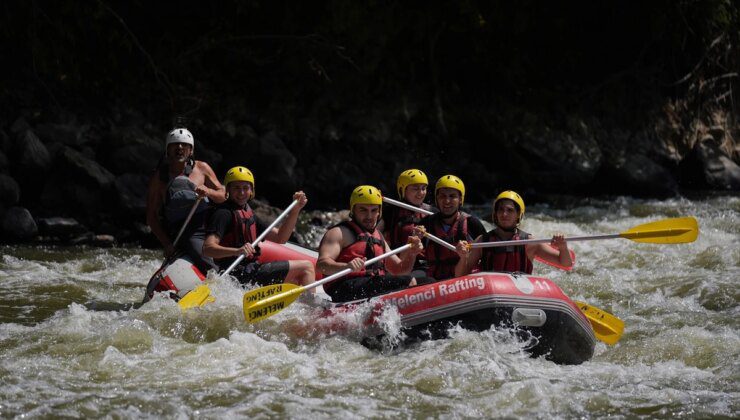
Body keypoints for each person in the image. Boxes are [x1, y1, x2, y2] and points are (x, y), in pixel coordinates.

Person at [202, 166, 315, 288]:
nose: (241, 193)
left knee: (295, 280)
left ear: (251, 191)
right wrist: (237, 251)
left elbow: (280, 238)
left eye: (246, 188)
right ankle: (314, 307)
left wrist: (295, 210)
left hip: (251, 271)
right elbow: (208, 248)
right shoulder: (223, 213)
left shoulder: (249, 213)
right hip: (237, 275)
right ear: (228, 189)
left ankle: (304, 305)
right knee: (306, 267)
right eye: (236, 188)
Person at [317, 185, 430, 303]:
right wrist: (346, 267)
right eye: (363, 210)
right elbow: (321, 266)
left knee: (429, 283)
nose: (369, 216)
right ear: (353, 209)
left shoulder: (379, 236)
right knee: (407, 281)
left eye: (374, 210)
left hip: (371, 285)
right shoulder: (339, 233)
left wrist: (412, 253)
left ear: (379, 211)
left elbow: (400, 269)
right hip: (344, 288)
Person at [146, 127, 226, 274]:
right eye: (175, 145)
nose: (180, 147)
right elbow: (151, 217)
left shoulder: (202, 168)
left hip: (208, 223)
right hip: (184, 231)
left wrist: (208, 191)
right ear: (167, 150)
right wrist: (167, 244)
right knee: (198, 250)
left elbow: (222, 195)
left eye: (184, 145)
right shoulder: (159, 178)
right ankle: (220, 278)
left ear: (191, 151)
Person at [454, 190, 572, 276]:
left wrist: (563, 247)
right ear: (495, 214)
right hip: (490, 294)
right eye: (501, 210)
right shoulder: (482, 241)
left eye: (510, 210)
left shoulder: (529, 242)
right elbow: (460, 275)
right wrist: (463, 257)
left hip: (519, 294)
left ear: (518, 215)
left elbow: (565, 263)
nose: (504, 214)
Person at [417, 175, 486, 281]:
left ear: (460, 199)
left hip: (466, 282)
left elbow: (487, 257)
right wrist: (413, 246)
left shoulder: (473, 224)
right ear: (437, 199)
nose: (447, 201)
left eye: (452, 196)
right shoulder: (426, 225)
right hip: (435, 283)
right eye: (442, 196)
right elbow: (413, 261)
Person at [378, 169, 435, 277]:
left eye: (423, 188)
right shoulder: (390, 212)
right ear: (403, 190)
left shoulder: (432, 212)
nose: (421, 193)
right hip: (397, 265)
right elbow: (374, 234)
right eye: (416, 188)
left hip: (423, 266)